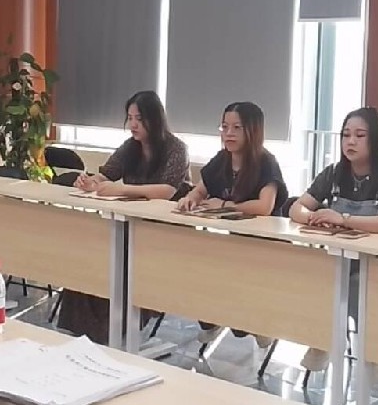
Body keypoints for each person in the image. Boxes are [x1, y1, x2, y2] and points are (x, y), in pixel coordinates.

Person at [288, 107, 378, 375]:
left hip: (377, 268)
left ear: (377, 139)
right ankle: (326, 337)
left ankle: (374, 351)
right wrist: (313, 218)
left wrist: (344, 219)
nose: (350, 142)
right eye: (345, 135)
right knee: (313, 275)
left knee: (355, 286)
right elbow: (297, 207)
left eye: (359, 135)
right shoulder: (334, 173)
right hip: (337, 260)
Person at [62, 91, 191, 343]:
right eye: (130, 118)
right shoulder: (130, 147)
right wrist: (90, 182)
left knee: (120, 264)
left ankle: (115, 332)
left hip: (163, 230)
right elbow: (107, 174)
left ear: (155, 119)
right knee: (88, 256)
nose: (133, 124)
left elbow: (166, 191)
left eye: (139, 119)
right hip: (129, 224)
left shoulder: (176, 148)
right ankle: (86, 333)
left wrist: (122, 189)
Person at [177, 102, 288, 347]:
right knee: (198, 265)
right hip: (235, 240)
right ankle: (215, 319)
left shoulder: (266, 162)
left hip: (266, 246)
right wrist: (190, 199)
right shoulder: (222, 159)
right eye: (224, 127)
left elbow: (264, 206)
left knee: (231, 273)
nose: (228, 133)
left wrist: (227, 205)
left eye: (237, 128)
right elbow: (201, 190)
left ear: (252, 130)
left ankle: (255, 322)